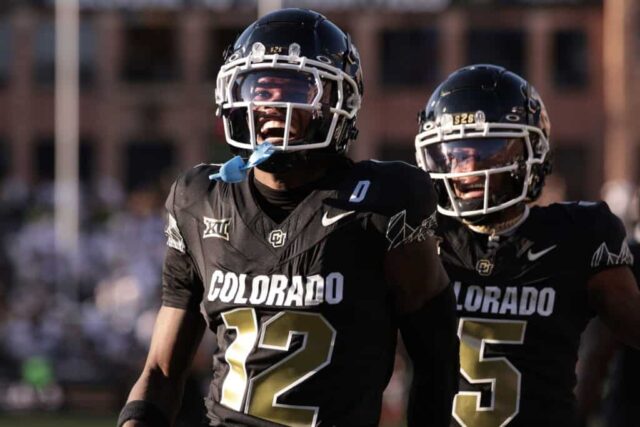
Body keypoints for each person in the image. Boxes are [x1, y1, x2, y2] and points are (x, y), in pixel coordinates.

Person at [118, 9, 458, 427]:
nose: (270, 106)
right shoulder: (199, 200)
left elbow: (438, 360)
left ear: (338, 101)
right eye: (258, 89)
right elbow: (161, 371)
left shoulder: (385, 203)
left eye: (294, 89)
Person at [413, 64, 640, 427]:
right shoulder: (417, 238)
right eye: (455, 152)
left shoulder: (578, 236)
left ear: (531, 153)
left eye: (488, 149)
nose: (468, 168)